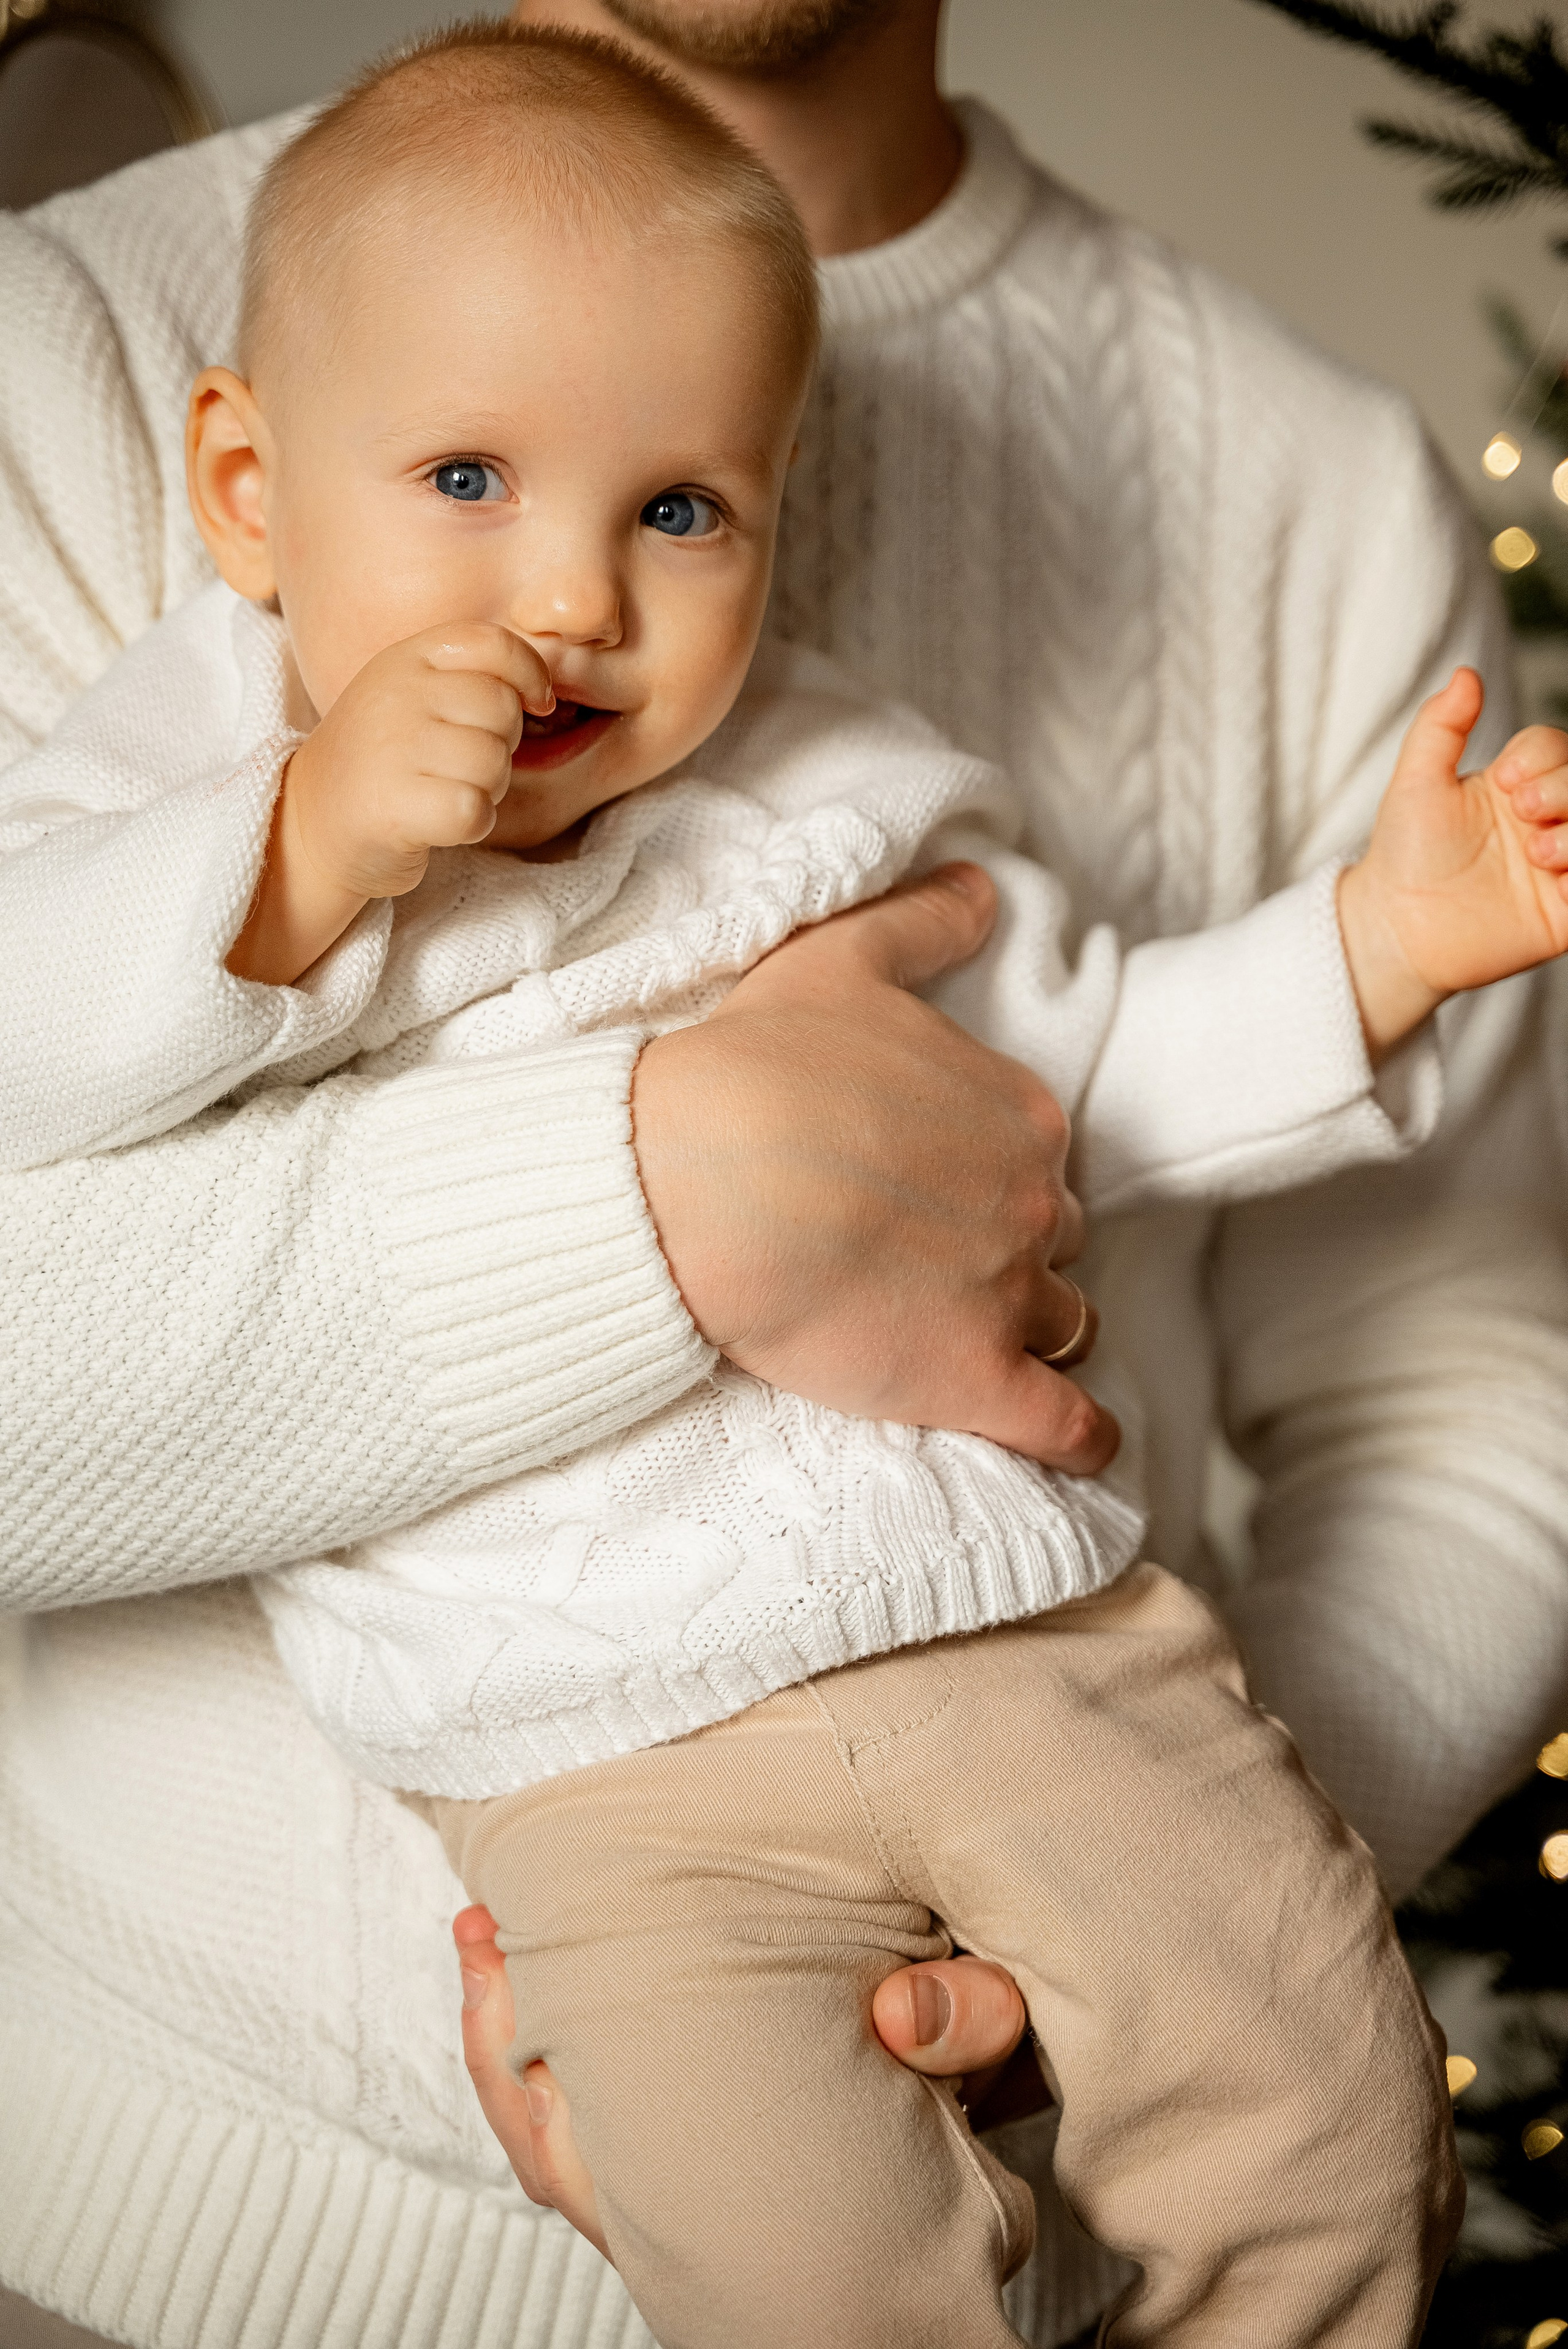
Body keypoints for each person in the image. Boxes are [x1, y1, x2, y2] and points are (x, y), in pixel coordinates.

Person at [2, 4, 1567, 2347]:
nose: (570, 599)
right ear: (244, 490)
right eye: (460, 481)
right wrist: (293, 864)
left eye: (676, 512)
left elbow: (1108, 1069)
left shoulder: (832, 786)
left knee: (1323, 2103)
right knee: (816, 2269)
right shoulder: (185, 752)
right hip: (584, 1793)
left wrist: (1374, 950)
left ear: (776, 500)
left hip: (1024, 1651)